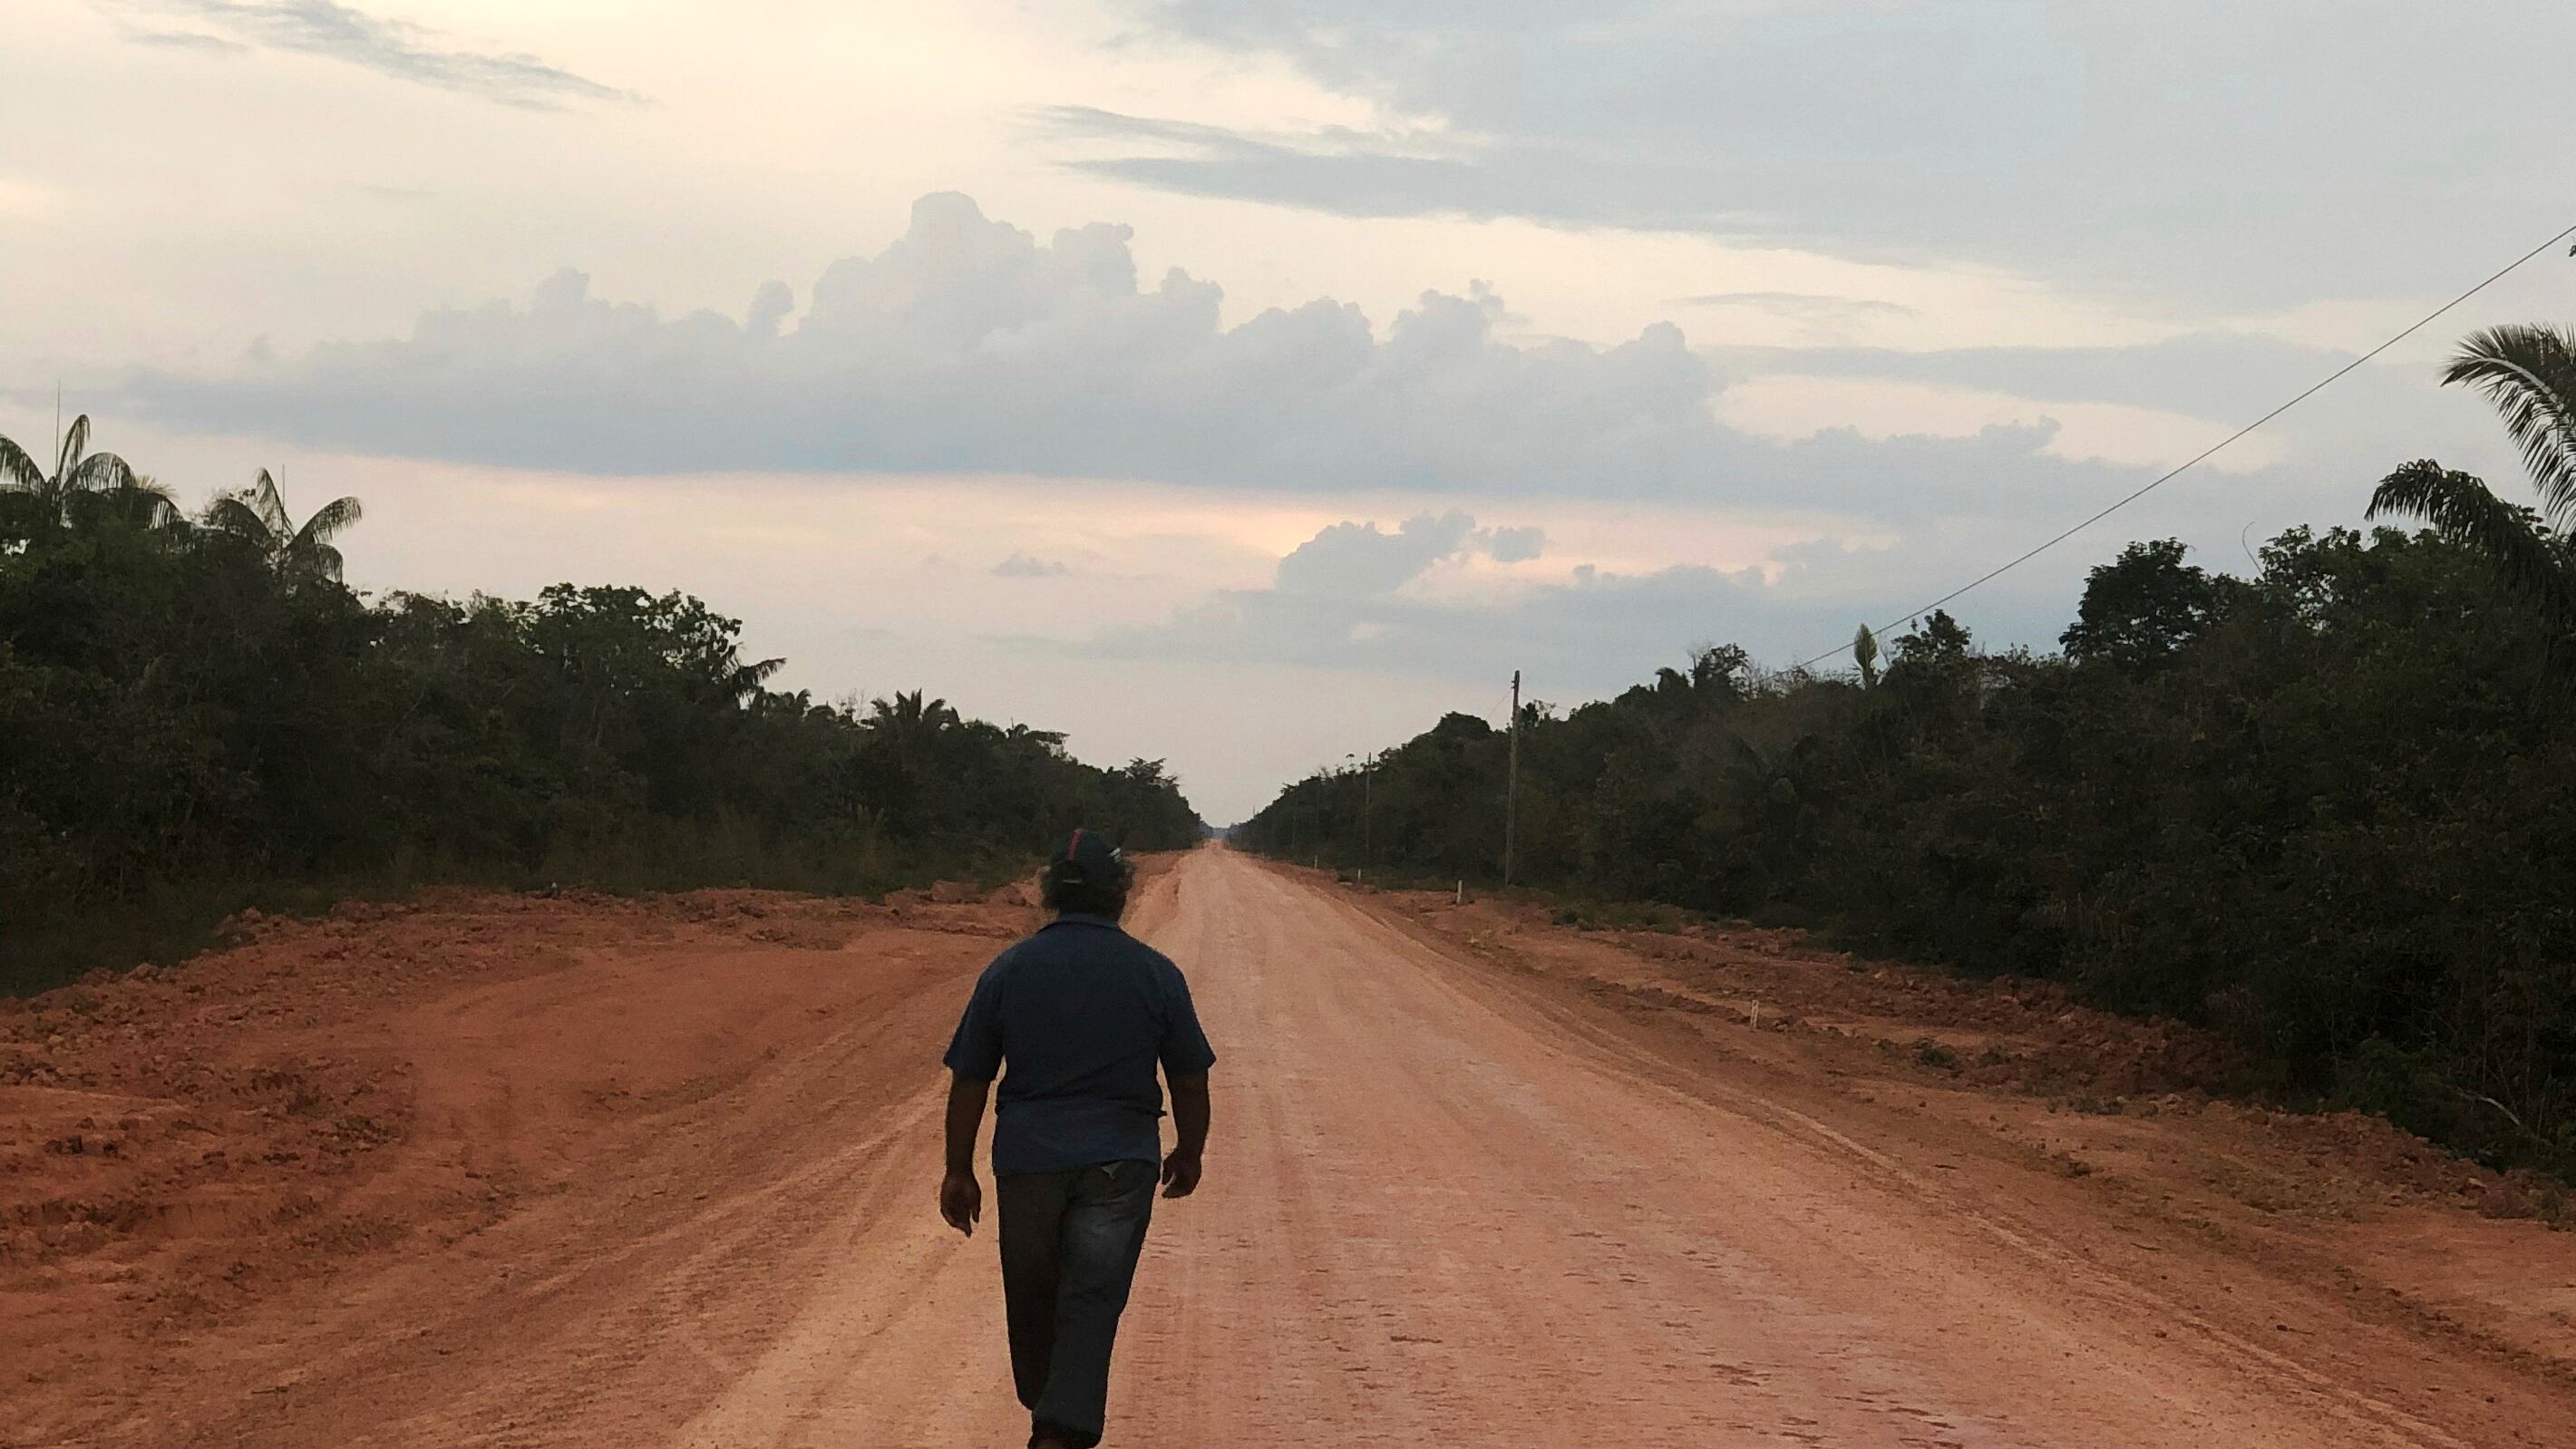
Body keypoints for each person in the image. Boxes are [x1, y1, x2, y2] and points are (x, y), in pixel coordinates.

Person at [940, 829, 1216, 1449]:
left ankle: (1051, 1420)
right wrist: (1190, 1150)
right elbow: (1189, 1078)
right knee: (1093, 1296)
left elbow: (971, 1078)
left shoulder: (1008, 970)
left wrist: (958, 1168)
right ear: (1119, 892)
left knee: (1032, 1296)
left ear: (1051, 893)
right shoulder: (1155, 974)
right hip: (1120, 1163)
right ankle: (1058, 1424)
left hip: (1028, 1162)